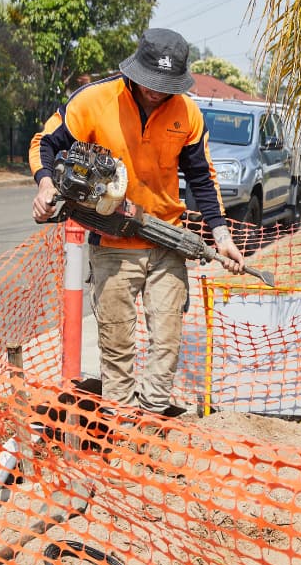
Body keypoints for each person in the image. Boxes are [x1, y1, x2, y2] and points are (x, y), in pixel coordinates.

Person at [28, 28, 244, 417]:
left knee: (167, 341)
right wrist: (45, 185)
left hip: (167, 243)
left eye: (166, 85)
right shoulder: (94, 99)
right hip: (112, 246)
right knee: (116, 343)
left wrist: (222, 233)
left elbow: (201, 178)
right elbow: (44, 143)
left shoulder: (187, 113)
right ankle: (121, 426)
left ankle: (153, 421)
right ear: (135, 68)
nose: (156, 91)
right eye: (150, 83)